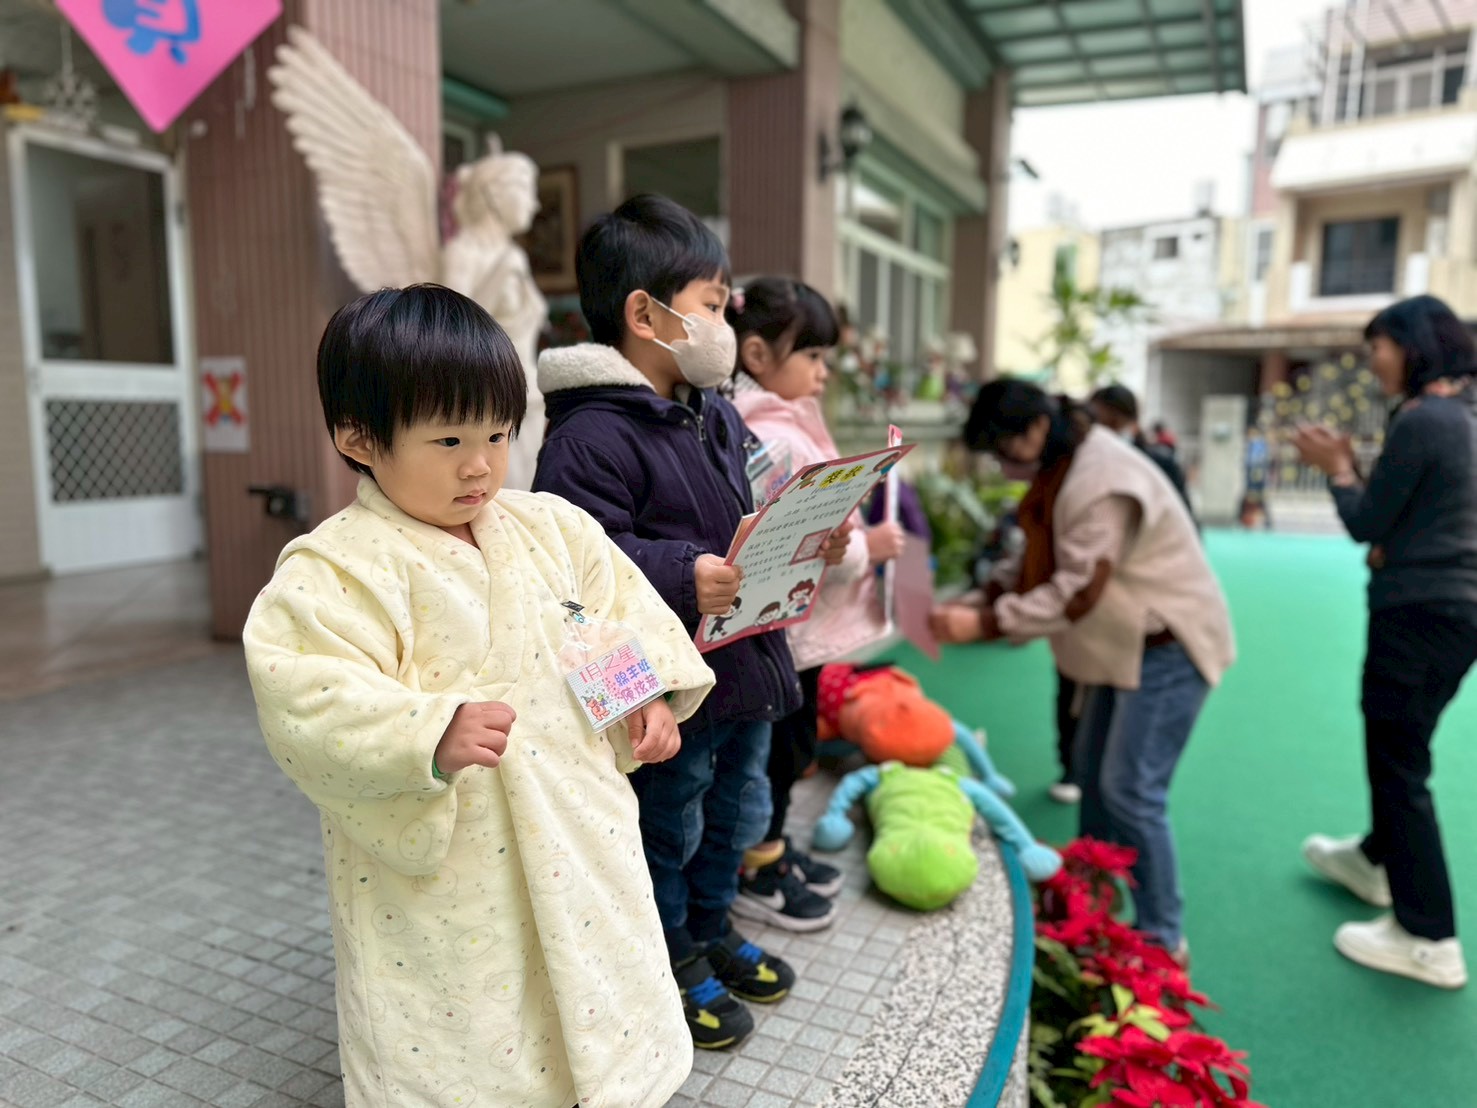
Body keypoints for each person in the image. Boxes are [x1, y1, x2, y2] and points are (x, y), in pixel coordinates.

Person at [242, 285, 717, 1107]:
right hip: (459, 862)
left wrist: (640, 696)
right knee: (471, 1015)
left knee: (598, 978)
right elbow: (307, 693)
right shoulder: (337, 568)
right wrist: (425, 731)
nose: (480, 465)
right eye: (449, 439)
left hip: (577, 826)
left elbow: (601, 615)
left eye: (498, 434)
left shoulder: (552, 528)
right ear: (359, 438)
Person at [534, 195, 847, 1049]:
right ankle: (668, 957)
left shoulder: (715, 410)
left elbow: (753, 507)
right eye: (711, 305)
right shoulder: (587, 438)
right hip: (668, 687)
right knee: (667, 828)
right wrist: (683, 572)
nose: (723, 326)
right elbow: (573, 568)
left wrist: (810, 531)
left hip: (739, 659)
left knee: (728, 817)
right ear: (646, 315)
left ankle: (711, 929)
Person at [929, 379, 1235, 958]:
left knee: (1131, 790)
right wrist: (985, 596)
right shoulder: (1061, 464)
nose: (1003, 465)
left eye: (1004, 449)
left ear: (1037, 428)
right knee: (1095, 779)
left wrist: (988, 622)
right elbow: (1036, 553)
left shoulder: (1099, 479)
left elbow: (1076, 590)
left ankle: (1163, 939)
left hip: (1168, 645)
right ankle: (1092, 908)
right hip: (1123, 645)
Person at [1293, 294, 1477, 989]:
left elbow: (1369, 522)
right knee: (1406, 745)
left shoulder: (1423, 418)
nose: (1373, 361)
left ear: (1411, 346)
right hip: (1456, 614)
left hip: (1418, 611)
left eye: (1378, 347)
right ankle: (1375, 859)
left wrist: (1338, 468)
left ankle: (1429, 938)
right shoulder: (1463, 414)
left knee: (1399, 764)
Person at [726, 277, 906, 932]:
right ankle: (758, 865)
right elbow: (797, 546)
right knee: (776, 754)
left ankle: (769, 850)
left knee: (781, 751)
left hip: (791, 630)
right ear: (756, 354)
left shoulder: (772, 424)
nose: (823, 372)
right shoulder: (773, 437)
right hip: (788, 630)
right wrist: (866, 551)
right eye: (812, 355)